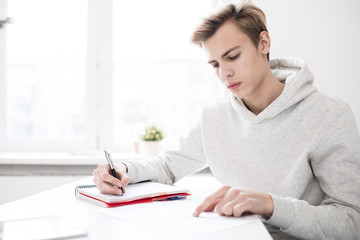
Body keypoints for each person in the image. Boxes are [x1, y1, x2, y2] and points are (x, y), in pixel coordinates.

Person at [93, 2, 360, 239]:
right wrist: (124, 170)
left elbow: (352, 222)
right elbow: (169, 165)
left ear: (263, 43)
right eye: (215, 64)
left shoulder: (328, 114)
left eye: (233, 57)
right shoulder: (215, 115)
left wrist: (270, 205)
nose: (225, 73)